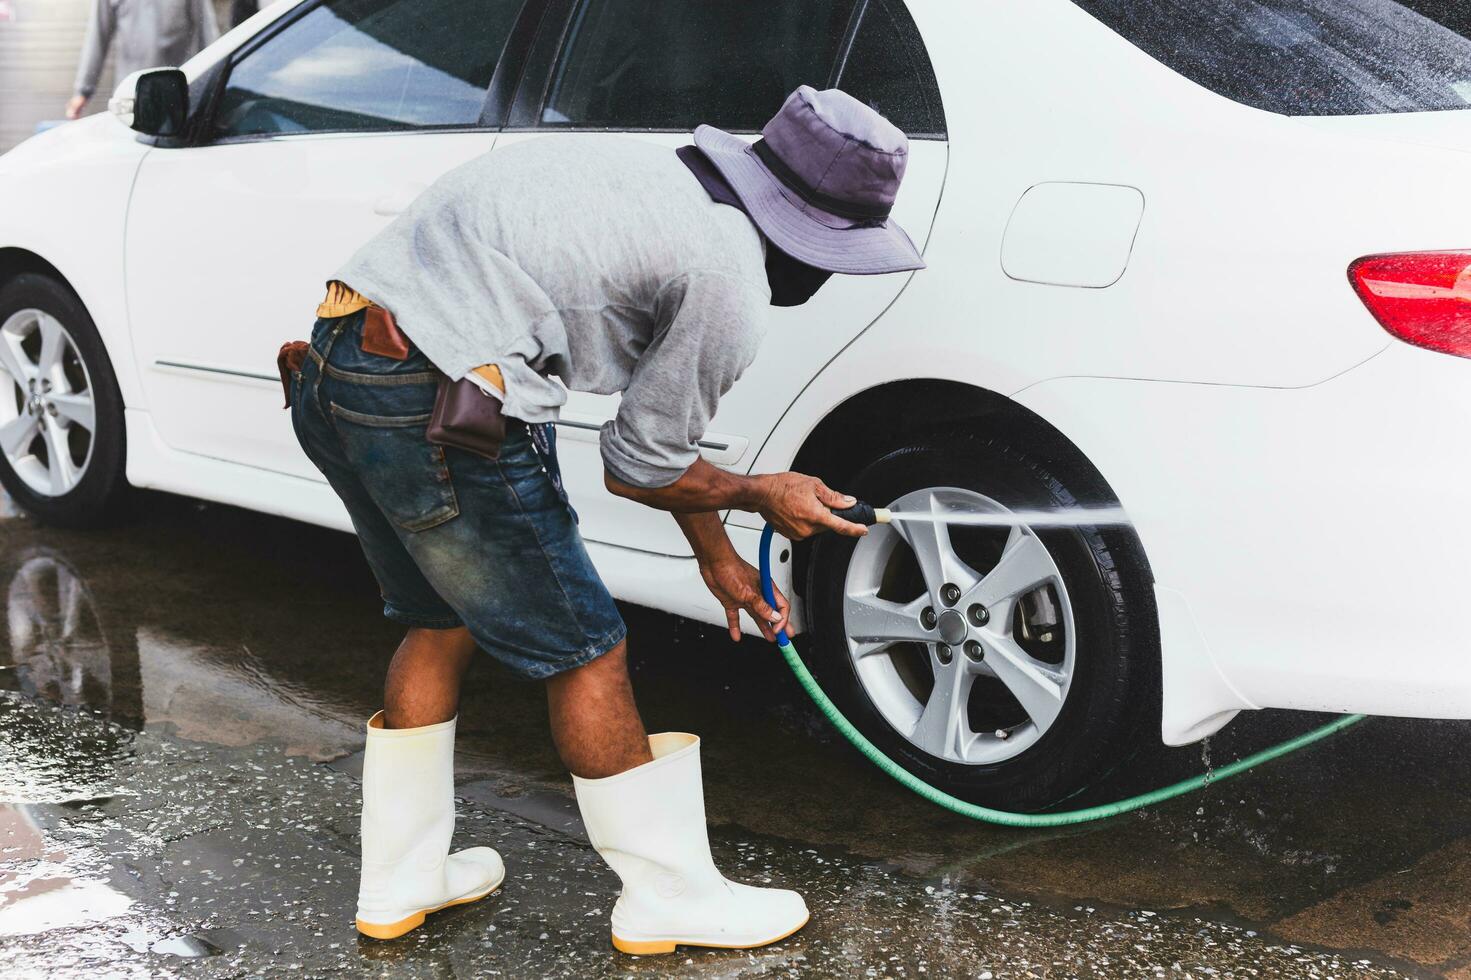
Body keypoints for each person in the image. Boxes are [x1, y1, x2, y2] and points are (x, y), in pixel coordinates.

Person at [287, 85, 925, 954]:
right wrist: (761, 491)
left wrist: (717, 558)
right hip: (443, 402)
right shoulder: (726, 280)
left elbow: (662, 444)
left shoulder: (657, 184)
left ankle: (402, 881)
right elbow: (640, 468)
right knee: (589, 649)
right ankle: (665, 896)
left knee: (440, 621)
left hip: (339, 363)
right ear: (809, 238)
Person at [66, 0, 218, 120]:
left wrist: (215, 86)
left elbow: (207, 33)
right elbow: (98, 36)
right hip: (129, 99)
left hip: (175, 96)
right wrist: (83, 91)